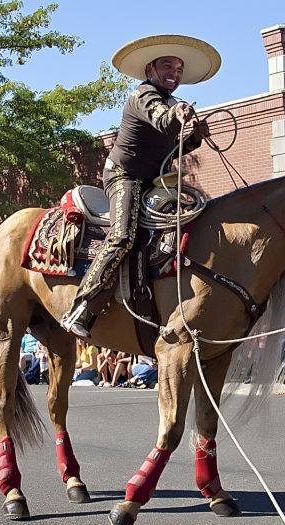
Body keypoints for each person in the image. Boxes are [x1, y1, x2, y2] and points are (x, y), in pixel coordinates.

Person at [60, 34, 220, 338]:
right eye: (167, 66)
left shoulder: (172, 102)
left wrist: (195, 136)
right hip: (124, 175)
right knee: (123, 235)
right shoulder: (143, 95)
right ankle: (81, 307)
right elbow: (161, 120)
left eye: (178, 68)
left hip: (154, 181)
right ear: (150, 70)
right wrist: (178, 114)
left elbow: (170, 151)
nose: (174, 73)